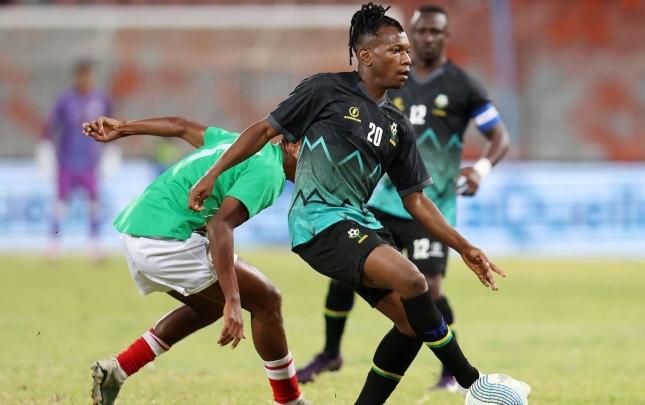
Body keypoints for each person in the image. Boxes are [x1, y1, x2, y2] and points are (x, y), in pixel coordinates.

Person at [188, 3, 528, 404]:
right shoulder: (324, 90)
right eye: (396, 50)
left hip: (358, 221)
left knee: (410, 324)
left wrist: (464, 246)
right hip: (318, 222)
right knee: (414, 281)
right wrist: (213, 175)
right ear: (365, 55)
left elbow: (416, 201)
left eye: (407, 51)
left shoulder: (397, 126)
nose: (407, 58)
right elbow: (263, 131)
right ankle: (474, 383)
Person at [296, 4, 511, 392]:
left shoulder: (463, 86)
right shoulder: (385, 77)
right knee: (355, 274)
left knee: (425, 292)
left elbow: (499, 136)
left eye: (434, 32)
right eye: (420, 31)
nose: (425, 40)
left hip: (431, 203)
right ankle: (331, 352)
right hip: (380, 204)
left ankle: (454, 375)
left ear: (445, 36)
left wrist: (480, 170)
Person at [82, 116, 309, 405]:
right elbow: (219, 227)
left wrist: (123, 128)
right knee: (267, 300)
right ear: (293, 146)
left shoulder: (238, 142)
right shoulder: (270, 171)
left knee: (208, 306)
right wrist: (233, 299)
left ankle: (118, 369)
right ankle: (289, 400)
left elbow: (180, 126)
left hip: (138, 229)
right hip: (166, 241)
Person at [42, 59, 113, 260]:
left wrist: (111, 152)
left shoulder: (101, 99)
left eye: (88, 75)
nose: (86, 79)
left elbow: (112, 126)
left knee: (94, 202)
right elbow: (51, 126)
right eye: (82, 75)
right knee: (60, 202)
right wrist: (45, 150)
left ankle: (94, 245)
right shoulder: (65, 100)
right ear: (76, 77)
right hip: (67, 161)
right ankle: (54, 244)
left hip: (90, 162)